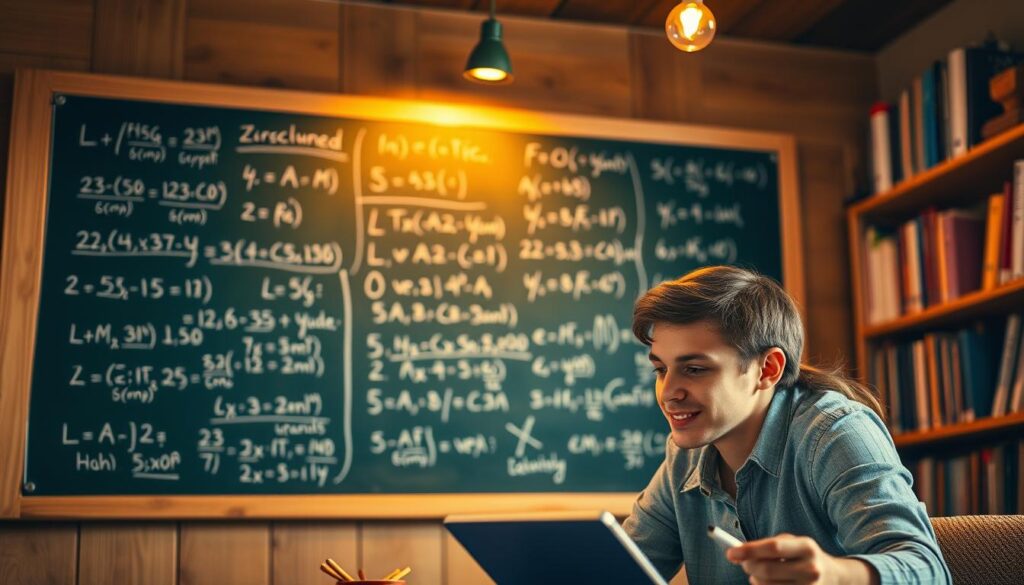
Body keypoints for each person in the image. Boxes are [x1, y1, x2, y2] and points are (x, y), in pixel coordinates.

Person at [623, 266, 951, 585]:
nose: (668, 394)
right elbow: (620, 567)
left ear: (768, 369)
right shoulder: (683, 458)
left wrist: (833, 575)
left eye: (694, 369)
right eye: (661, 370)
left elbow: (928, 570)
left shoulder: (835, 432)